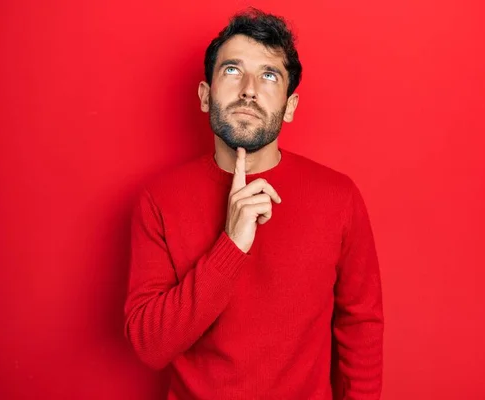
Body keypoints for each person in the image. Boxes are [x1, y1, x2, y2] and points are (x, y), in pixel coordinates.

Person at [124, 8, 383, 400]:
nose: (248, 89)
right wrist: (230, 247)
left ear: (290, 106)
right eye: (232, 70)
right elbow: (149, 345)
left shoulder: (339, 197)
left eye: (268, 75)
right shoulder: (158, 199)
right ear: (205, 96)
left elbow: (361, 326)